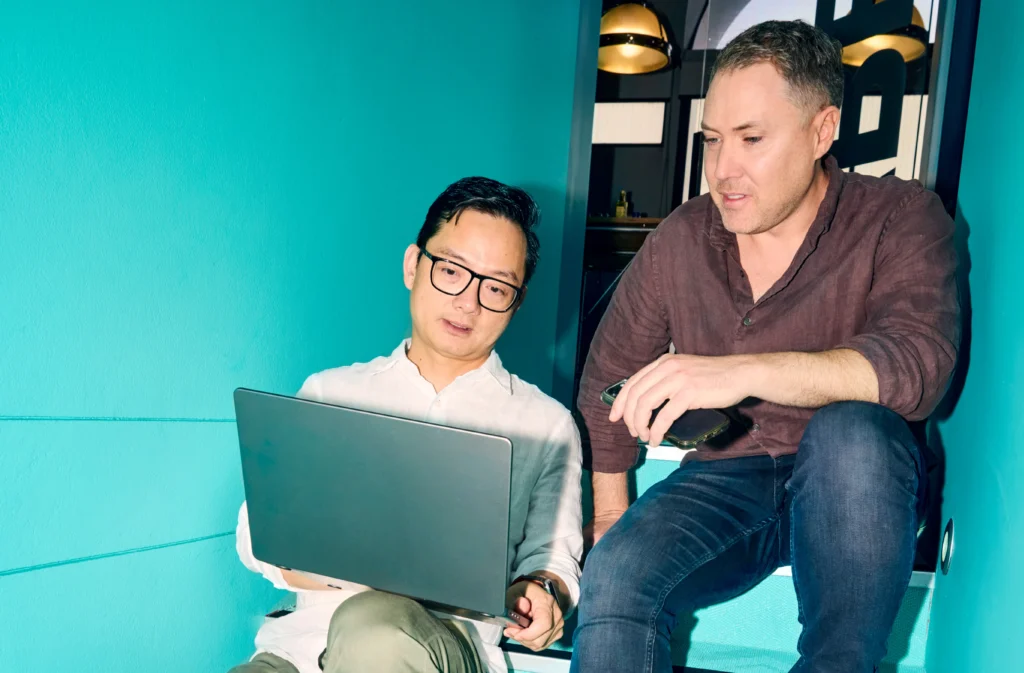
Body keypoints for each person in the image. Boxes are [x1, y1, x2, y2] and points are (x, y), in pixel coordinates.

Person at [571, 20, 959, 673]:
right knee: (614, 575)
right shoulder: (684, 236)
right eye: (713, 140)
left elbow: (918, 366)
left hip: (857, 481)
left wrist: (740, 371)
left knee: (852, 433)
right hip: (728, 474)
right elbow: (604, 378)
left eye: (751, 139)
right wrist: (609, 513)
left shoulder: (901, 215)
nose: (723, 169)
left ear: (821, 131)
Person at [229, 177, 583, 673]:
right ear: (413, 265)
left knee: (374, 627)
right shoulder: (332, 394)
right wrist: (340, 572)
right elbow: (255, 535)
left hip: (442, 653)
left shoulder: (546, 424)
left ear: (516, 302)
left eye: (497, 286)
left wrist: (543, 595)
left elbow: (554, 559)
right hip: (299, 652)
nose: (469, 301)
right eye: (453, 271)